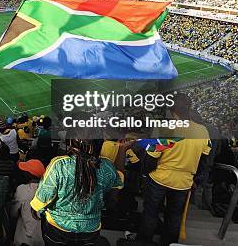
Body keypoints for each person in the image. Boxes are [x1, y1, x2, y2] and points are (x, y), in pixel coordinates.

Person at [135, 94, 211, 246]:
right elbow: (204, 160)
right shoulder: (202, 131)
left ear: (171, 110)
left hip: (159, 178)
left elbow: (151, 158)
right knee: (174, 217)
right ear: (189, 109)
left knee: (151, 213)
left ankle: (144, 242)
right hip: (184, 182)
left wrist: (146, 174)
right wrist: (195, 179)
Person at [31, 136, 130, 246]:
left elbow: (44, 195)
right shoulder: (107, 166)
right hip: (91, 229)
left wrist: (34, 208)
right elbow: (117, 184)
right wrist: (122, 149)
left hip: (58, 228)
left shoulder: (59, 165)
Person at [10, 159, 45, 246]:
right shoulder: (47, 190)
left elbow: (13, 213)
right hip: (42, 238)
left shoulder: (22, 189)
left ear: (29, 175)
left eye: (25, 171)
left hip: (24, 238)